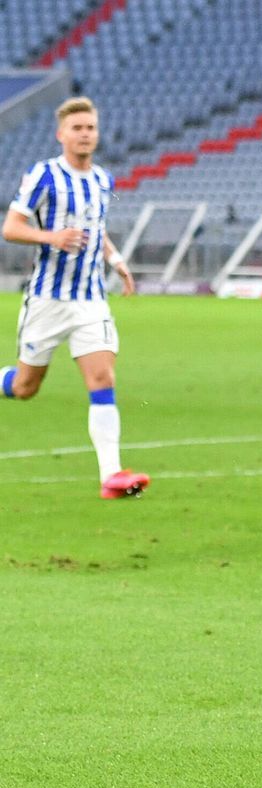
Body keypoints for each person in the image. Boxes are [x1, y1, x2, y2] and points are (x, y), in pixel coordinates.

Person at [1, 96, 145, 498]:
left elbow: (96, 230)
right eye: (77, 128)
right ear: (61, 134)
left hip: (90, 300)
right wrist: (51, 237)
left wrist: (116, 261)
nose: (85, 135)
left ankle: (111, 478)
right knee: (26, 386)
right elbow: (11, 227)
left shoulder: (103, 180)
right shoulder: (43, 175)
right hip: (47, 299)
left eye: (91, 128)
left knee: (102, 378)